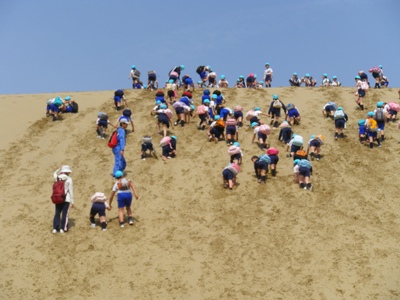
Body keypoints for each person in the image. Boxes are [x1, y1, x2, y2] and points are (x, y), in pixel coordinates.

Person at [52, 165, 74, 233]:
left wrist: (59, 168)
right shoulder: (69, 179)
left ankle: (55, 228)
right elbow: (71, 191)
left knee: (57, 213)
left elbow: (54, 173)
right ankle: (62, 228)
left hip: (57, 198)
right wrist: (72, 201)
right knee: (64, 214)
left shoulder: (57, 177)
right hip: (66, 199)